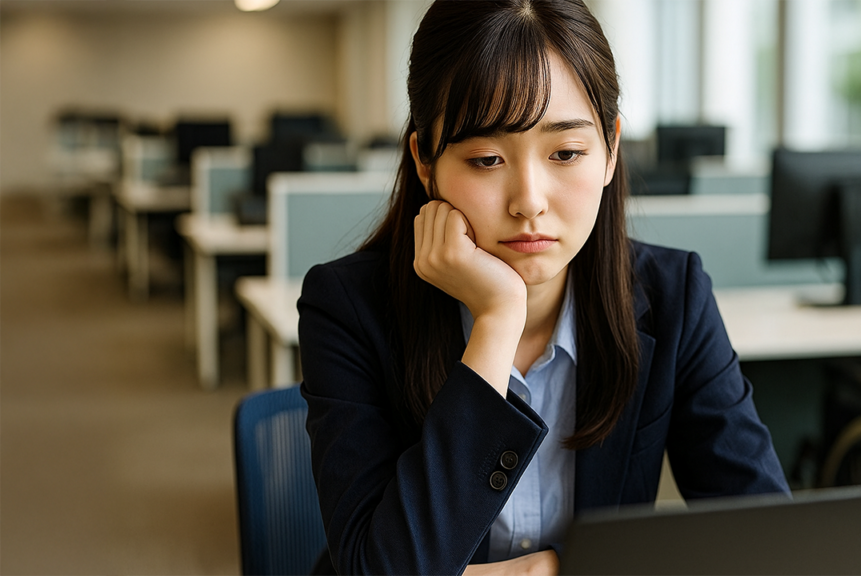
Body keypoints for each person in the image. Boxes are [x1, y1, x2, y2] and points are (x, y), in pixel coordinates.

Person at [298, 1, 789, 574]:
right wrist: (497, 320)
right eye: (485, 158)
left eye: (566, 152)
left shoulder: (674, 296)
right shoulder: (347, 308)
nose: (528, 200)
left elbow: (765, 538)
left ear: (609, 150)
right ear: (425, 162)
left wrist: (544, 568)